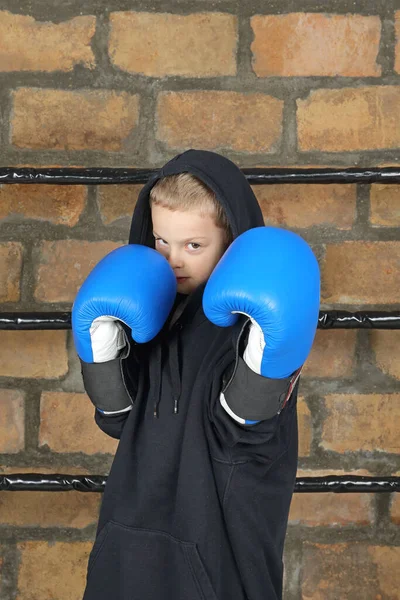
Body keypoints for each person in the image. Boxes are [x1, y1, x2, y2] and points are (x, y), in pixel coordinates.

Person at [72, 149, 320, 600]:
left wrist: (260, 358)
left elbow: (247, 437)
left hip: (214, 552)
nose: (172, 260)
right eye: (161, 241)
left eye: (193, 245)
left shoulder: (251, 326)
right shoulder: (149, 311)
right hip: (128, 545)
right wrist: (105, 347)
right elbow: (119, 420)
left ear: (231, 243)